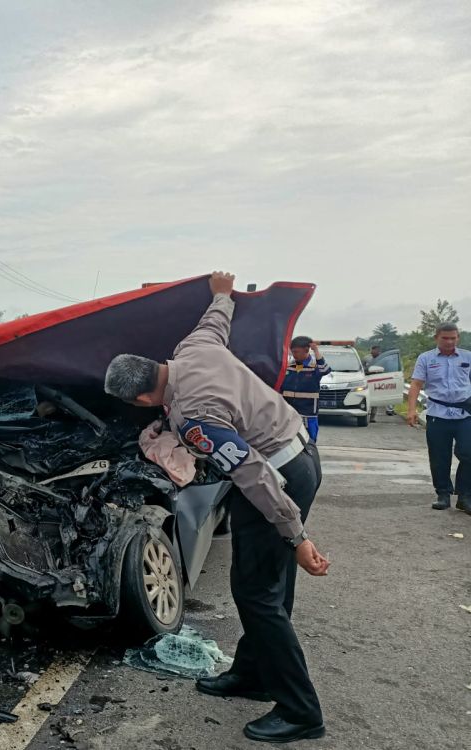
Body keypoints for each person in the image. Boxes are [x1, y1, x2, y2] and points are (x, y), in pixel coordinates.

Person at [105, 272, 330, 744]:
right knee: (261, 583)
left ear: (142, 398)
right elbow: (215, 321)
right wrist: (222, 294)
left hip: (278, 476)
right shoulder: (193, 349)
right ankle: (253, 673)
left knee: (258, 594)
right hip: (296, 452)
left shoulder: (194, 418)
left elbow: (253, 474)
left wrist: (296, 537)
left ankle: (300, 710)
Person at [406, 323, 471, 513]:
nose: (449, 342)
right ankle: (443, 494)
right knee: (439, 456)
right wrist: (411, 410)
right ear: (436, 338)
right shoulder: (426, 358)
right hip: (437, 414)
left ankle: (465, 496)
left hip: (465, 413)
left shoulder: (468, 357)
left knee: (468, 453)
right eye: (445, 338)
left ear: (458, 338)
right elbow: (416, 384)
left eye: (453, 338)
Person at [281, 336, 330, 442]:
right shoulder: (288, 366)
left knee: (309, 440)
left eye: (296, 352)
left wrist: (316, 350)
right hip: (289, 411)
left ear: (306, 350)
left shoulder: (314, 366)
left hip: (308, 412)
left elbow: (325, 370)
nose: (294, 354)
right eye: (292, 352)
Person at [363, 345, 393, 420]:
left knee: (375, 399)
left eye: (375, 352)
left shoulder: (383, 359)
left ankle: (372, 417)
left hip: (378, 381)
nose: (372, 353)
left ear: (379, 352)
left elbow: (387, 369)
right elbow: (362, 368)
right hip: (367, 380)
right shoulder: (366, 358)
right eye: (372, 352)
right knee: (366, 398)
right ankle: (365, 414)